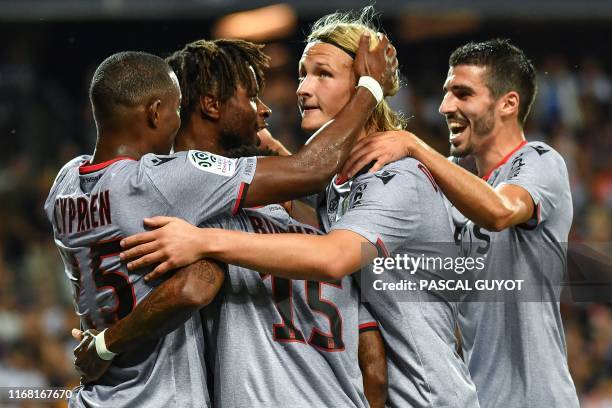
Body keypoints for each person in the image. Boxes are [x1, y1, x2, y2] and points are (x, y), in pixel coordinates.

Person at [119, 9, 479, 408]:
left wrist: (205, 240)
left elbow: (335, 257)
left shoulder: (397, 178)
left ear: (362, 85)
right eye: (303, 73)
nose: (303, 88)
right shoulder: (336, 188)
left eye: (323, 74)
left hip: (427, 398)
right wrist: (278, 173)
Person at [46, 36, 397, 407]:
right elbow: (308, 170)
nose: (178, 119)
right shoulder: (170, 183)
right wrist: (370, 87)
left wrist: (103, 344)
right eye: (175, 108)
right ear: (154, 113)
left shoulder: (66, 182)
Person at [338, 38, 580, 407]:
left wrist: (414, 145)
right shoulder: (459, 187)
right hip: (475, 396)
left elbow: (500, 212)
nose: (445, 106)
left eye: (463, 94)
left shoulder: (541, 160)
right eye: (447, 93)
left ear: (508, 104)